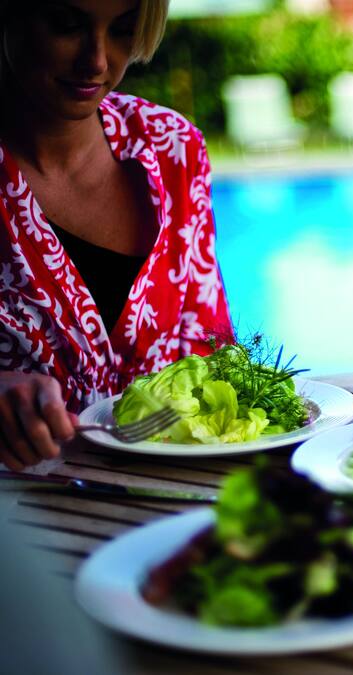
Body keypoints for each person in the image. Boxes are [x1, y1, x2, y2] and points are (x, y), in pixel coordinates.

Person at [0, 0, 233, 471]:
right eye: (67, 24)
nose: (98, 61)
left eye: (125, 30)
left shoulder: (173, 148)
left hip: (168, 492)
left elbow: (210, 344)